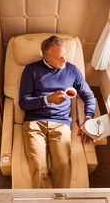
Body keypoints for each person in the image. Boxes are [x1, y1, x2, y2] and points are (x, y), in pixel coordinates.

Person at [19, 35, 95, 188]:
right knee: (39, 168)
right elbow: (23, 103)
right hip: (34, 123)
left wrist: (88, 118)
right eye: (59, 58)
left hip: (61, 123)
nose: (64, 61)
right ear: (46, 58)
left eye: (65, 55)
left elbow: (88, 95)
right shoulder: (31, 70)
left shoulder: (72, 70)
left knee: (62, 165)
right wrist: (48, 99)